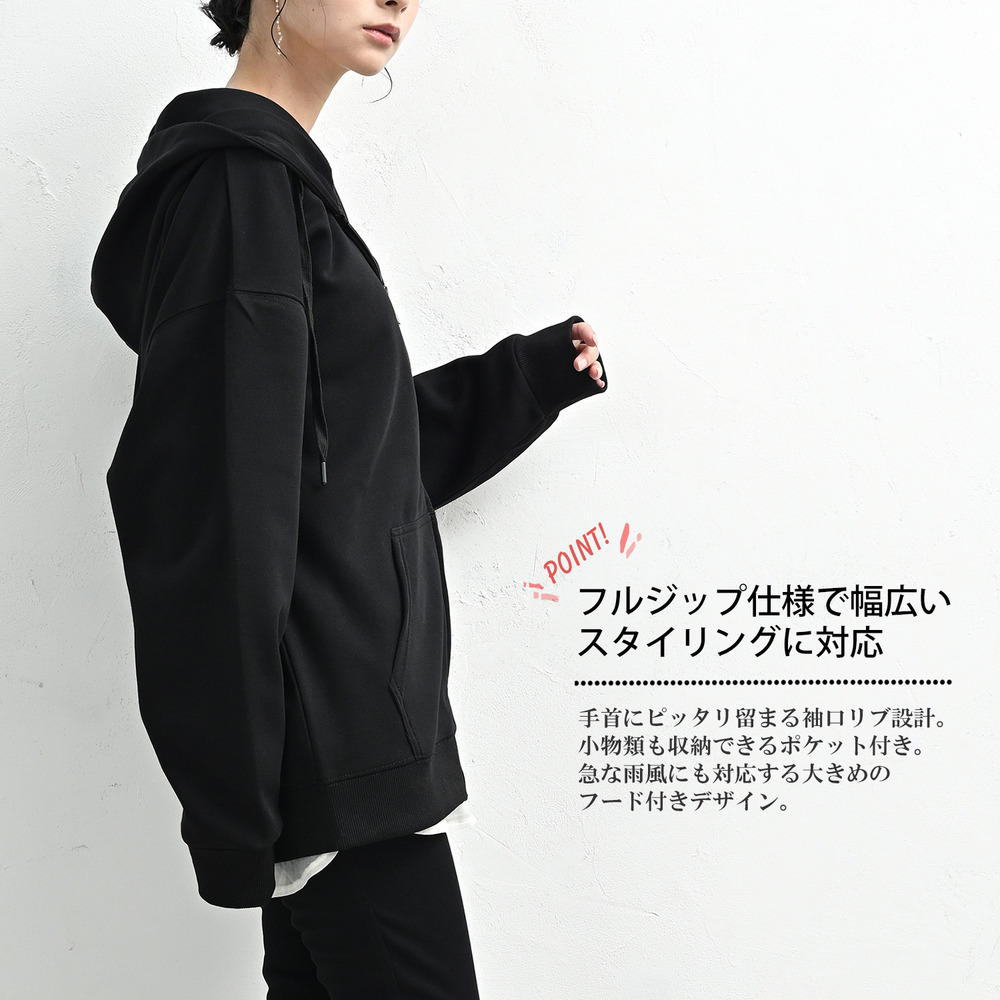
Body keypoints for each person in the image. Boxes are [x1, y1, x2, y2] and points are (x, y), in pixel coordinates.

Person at [90, 1, 607, 996]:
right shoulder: (239, 191)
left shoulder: (270, 186)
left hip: (344, 748)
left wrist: (523, 383)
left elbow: (343, 462)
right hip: (331, 754)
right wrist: (243, 807)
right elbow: (211, 503)